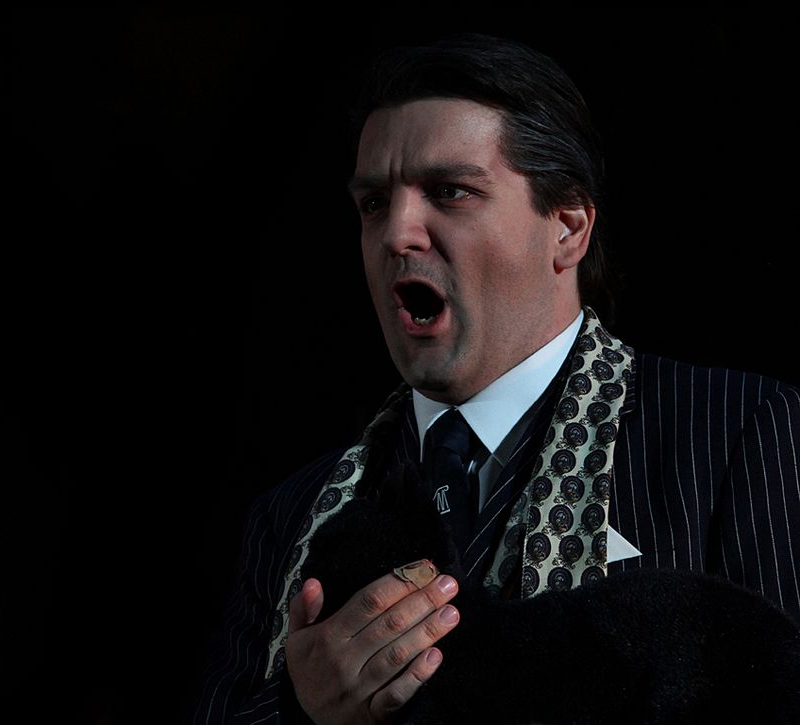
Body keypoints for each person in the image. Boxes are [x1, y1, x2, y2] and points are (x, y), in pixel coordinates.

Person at [193, 32, 800, 724]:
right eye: (374, 204)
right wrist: (303, 708)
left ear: (568, 228)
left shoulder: (741, 431)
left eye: (450, 192)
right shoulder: (290, 515)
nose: (397, 233)